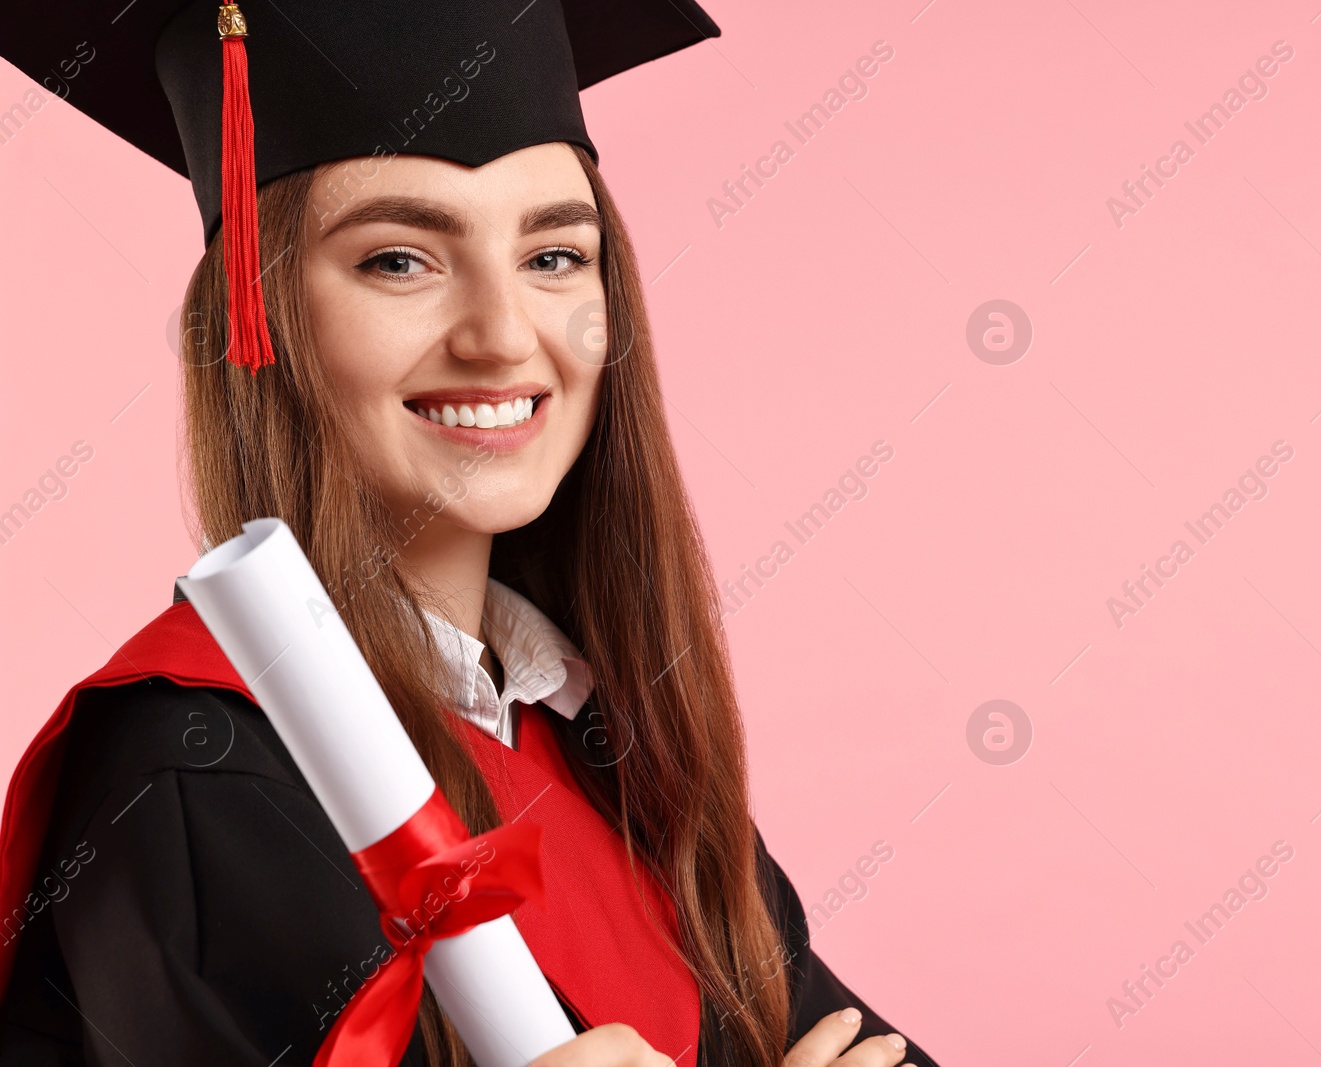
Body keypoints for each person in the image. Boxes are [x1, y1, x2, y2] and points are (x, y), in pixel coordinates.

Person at [0, 2, 940, 1065]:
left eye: (553, 257)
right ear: (253, 320)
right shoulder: (191, 771)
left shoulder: (611, 737)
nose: (501, 336)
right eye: (399, 259)